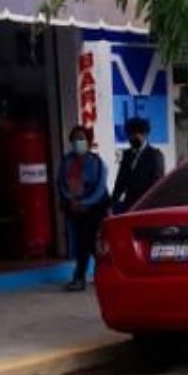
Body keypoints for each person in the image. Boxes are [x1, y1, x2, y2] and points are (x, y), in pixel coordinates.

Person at [57, 125, 109, 291]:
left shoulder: (97, 162)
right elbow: (61, 183)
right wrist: (71, 201)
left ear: (88, 141)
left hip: (93, 209)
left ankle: (86, 276)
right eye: (75, 139)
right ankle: (86, 276)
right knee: (81, 244)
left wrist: (85, 203)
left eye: (81, 138)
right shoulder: (67, 161)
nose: (78, 142)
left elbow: (100, 187)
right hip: (74, 208)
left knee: (90, 243)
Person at [110, 116, 166, 214]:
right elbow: (120, 181)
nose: (131, 138)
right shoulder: (127, 155)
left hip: (147, 206)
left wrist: (149, 203)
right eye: (129, 134)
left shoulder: (155, 155)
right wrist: (112, 203)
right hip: (129, 205)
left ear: (144, 134)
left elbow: (156, 182)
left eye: (134, 134)